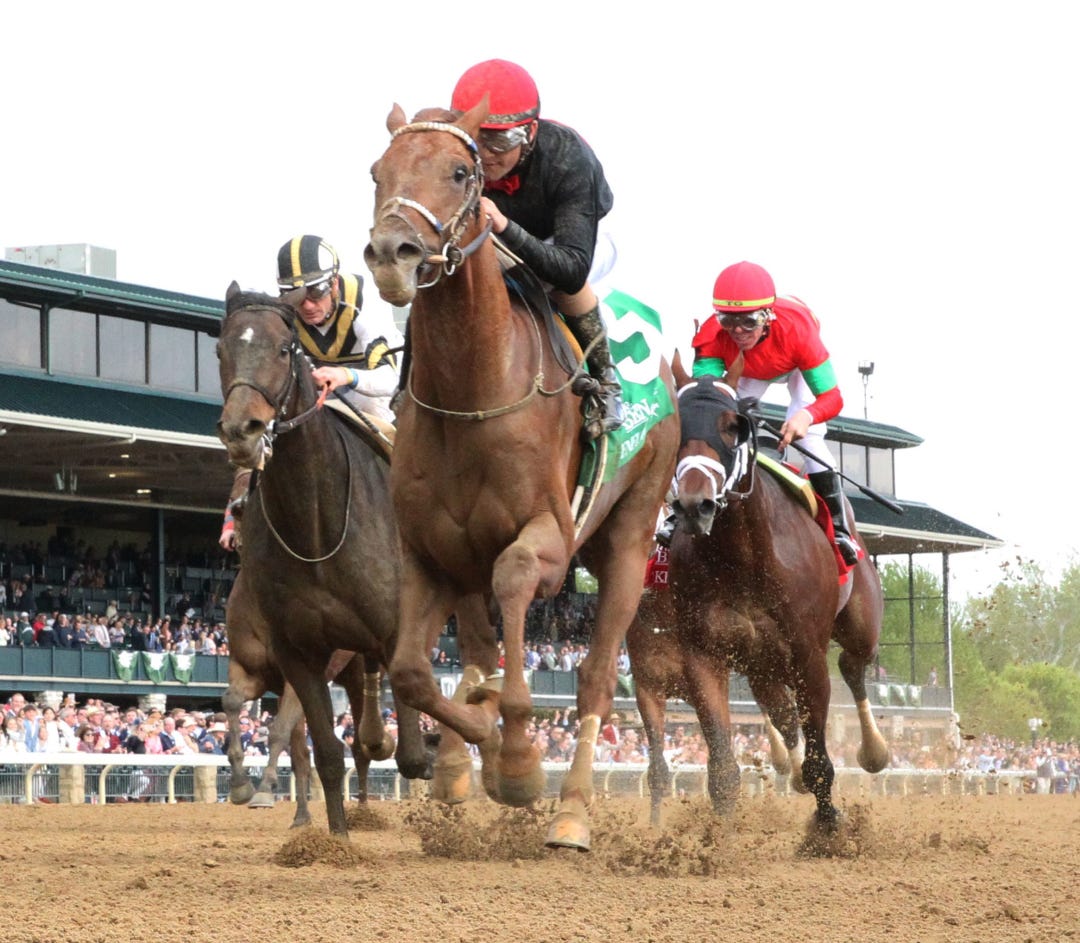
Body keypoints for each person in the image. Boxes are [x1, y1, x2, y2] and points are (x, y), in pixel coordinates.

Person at [449, 58, 624, 440]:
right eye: (475, 137)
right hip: (502, 232)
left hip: (577, 239)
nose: (486, 153)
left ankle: (607, 382)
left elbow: (572, 267)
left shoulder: (570, 157)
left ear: (529, 132)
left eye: (499, 140)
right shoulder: (461, 153)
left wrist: (504, 226)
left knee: (550, 280)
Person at [662, 261, 860, 565]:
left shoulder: (799, 331)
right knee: (715, 426)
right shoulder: (712, 336)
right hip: (749, 371)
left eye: (749, 322)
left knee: (810, 441)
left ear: (768, 316)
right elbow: (708, 397)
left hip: (793, 365)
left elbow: (832, 397)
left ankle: (841, 529)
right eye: (728, 321)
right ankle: (681, 507)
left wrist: (805, 417)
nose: (738, 332)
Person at [218, 235, 403, 550]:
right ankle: (235, 514)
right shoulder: (286, 316)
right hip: (316, 399)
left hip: (371, 399)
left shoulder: (363, 300)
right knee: (263, 430)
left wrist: (345, 375)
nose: (306, 305)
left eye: (315, 292)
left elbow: (392, 378)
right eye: (296, 295)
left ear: (333, 284)